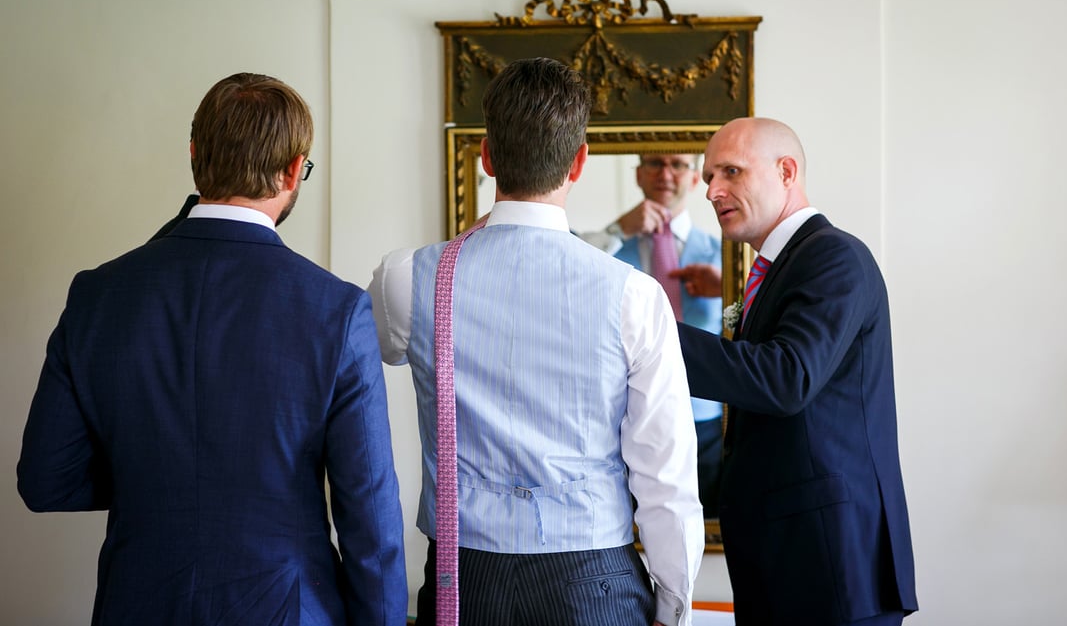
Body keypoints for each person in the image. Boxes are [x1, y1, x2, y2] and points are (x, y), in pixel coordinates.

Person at [17, 72, 407, 626]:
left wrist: (157, 473)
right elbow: (370, 516)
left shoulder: (97, 294)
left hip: (136, 603)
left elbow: (44, 480)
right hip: (288, 610)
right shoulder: (336, 311)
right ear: (295, 170)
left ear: (195, 153)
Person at [369, 57, 704, 626]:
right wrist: (675, 604)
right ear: (579, 162)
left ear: (486, 157)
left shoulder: (408, 278)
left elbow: (382, 345)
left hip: (464, 579)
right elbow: (664, 472)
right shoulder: (635, 295)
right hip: (596, 580)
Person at [671, 117, 918, 626]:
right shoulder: (781, 266)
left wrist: (651, 334)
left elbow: (787, 379)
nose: (712, 190)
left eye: (731, 172)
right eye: (708, 177)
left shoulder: (833, 256)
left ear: (787, 171)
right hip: (791, 560)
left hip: (830, 566)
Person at [584, 153, 725, 518]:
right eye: (655, 163)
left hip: (703, 420)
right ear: (638, 175)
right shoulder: (606, 252)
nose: (665, 173)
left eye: (677, 164)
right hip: (623, 419)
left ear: (695, 179)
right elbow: (568, 279)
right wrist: (617, 230)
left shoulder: (723, 255)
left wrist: (727, 288)